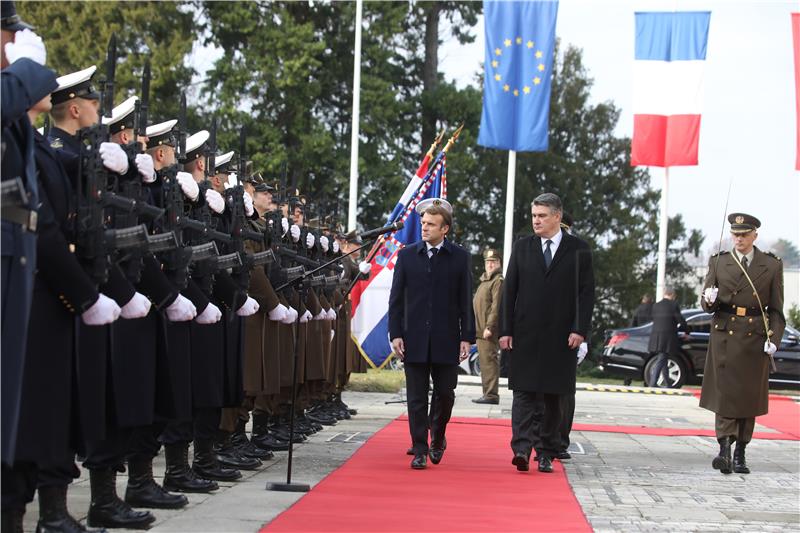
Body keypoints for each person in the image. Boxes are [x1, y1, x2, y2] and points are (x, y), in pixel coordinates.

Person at [500, 193, 594, 474]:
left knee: (555, 396)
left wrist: (580, 329)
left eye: (541, 215)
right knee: (523, 394)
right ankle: (521, 448)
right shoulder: (523, 247)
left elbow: (586, 293)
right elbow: (510, 290)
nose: (536, 221)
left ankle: (546, 451)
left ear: (557, 216)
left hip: (562, 335)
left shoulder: (579, 249)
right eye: (533, 216)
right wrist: (505, 330)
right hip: (526, 333)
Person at [389, 198, 475, 469]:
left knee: (445, 394)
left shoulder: (460, 257)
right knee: (415, 397)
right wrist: (395, 334)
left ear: (445, 228)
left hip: (446, 338)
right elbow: (396, 300)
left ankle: (438, 436)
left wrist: (466, 337)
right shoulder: (406, 255)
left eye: (430, 224)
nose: (424, 228)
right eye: (423, 223)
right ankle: (419, 448)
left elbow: (465, 300)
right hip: (413, 338)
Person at [699, 213, 784, 475]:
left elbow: (777, 309)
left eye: (744, 234)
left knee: (748, 397)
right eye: (735, 234)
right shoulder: (718, 262)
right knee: (724, 394)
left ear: (754, 236)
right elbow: (707, 304)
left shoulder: (770, 265)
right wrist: (709, 299)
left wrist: (774, 340)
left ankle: (740, 452)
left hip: (754, 336)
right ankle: (724, 449)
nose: (739, 239)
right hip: (725, 333)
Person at [472, 248, 504, 405]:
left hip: (488, 330)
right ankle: (487, 393)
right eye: (488, 262)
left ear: (499, 264)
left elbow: (496, 307)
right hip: (480, 329)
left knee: (489, 362)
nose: (491, 265)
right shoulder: (485, 281)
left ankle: (491, 395)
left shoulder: (498, 281)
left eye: (494, 262)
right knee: (484, 362)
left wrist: (490, 327)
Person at [647, 287, 688, 388]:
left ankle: (668, 383)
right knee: (662, 359)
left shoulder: (655, 305)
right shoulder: (673, 305)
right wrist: (687, 331)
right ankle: (652, 383)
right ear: (673, 295)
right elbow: (680, 320)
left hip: (656, 336)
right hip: (667, 337)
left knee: (663, 358)